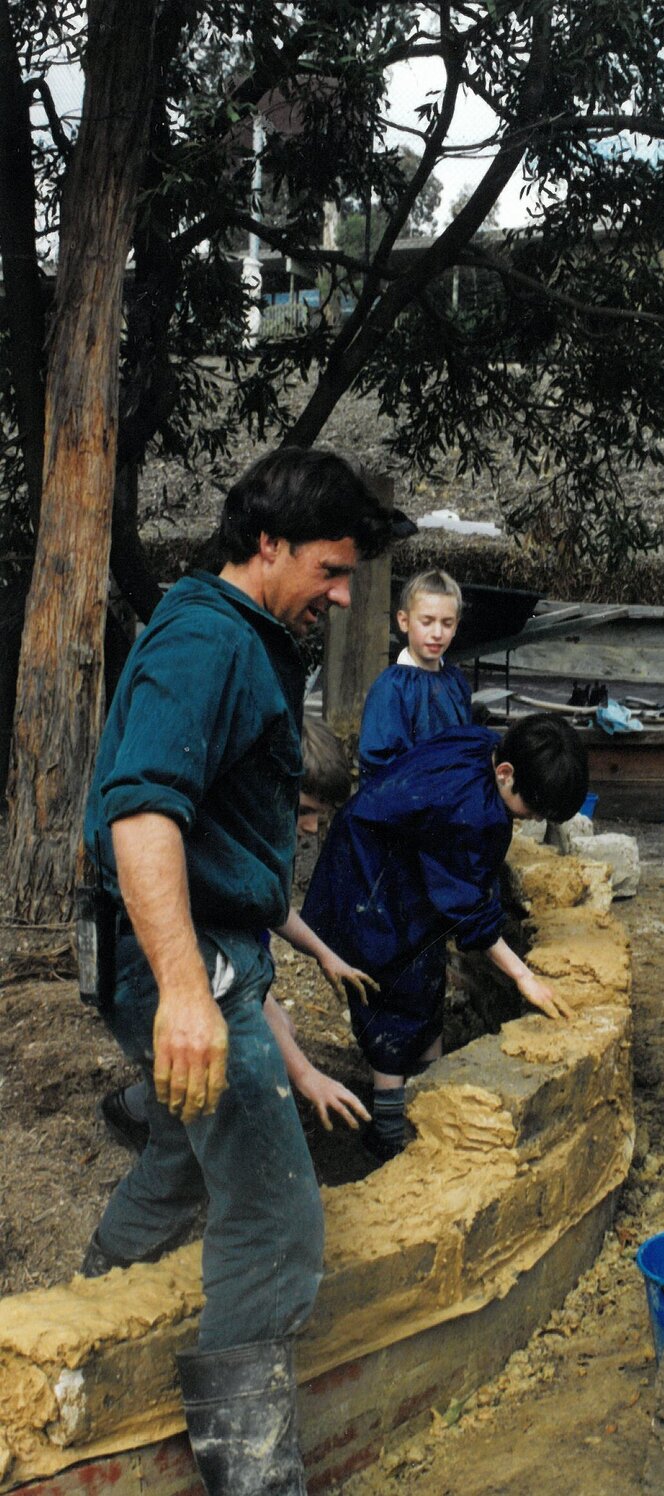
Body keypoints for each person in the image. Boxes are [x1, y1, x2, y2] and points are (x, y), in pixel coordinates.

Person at [82, 446, 394, 1495]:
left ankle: (85, 1323)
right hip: (183, 959)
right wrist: (184, 990)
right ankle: (253, 1479)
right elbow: (140, 810)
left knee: (178, 1151)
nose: (344, 595)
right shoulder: (208, 641)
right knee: (273, 1218)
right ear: (268, 544)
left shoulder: (241, 635)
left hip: (197, 954)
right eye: (332, 569)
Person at [300, 713, 588, 1159]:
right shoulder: (473, 814)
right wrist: (522, 976)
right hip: (372, 888)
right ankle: (390, 1132)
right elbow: (467, 906)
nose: (531, 821)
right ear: (506, 774)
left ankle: (431, 1089)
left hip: (387, 864)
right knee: (389, 999)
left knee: (423, 981)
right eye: (532, 808)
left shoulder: (480, 744)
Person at [99, 718, 359, 1153]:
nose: (312, 828)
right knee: (247, 1053)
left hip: (237, 964)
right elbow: (245, 1001)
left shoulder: (258, 838)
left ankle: (157, 1112)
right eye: (305, 811)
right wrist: (305, 1074)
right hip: (203, 971)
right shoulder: (227, 848)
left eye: (320, 815)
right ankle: (138, 1113)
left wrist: (324, 954)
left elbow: (274, 908)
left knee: (280, 1030)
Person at [358, 567, 472, 778]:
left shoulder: (455, 681)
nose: (437, 634)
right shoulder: (393, 687)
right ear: (404, 621)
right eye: (427, 622)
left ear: (456, 625)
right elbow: (382, 762)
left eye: (447, 623)